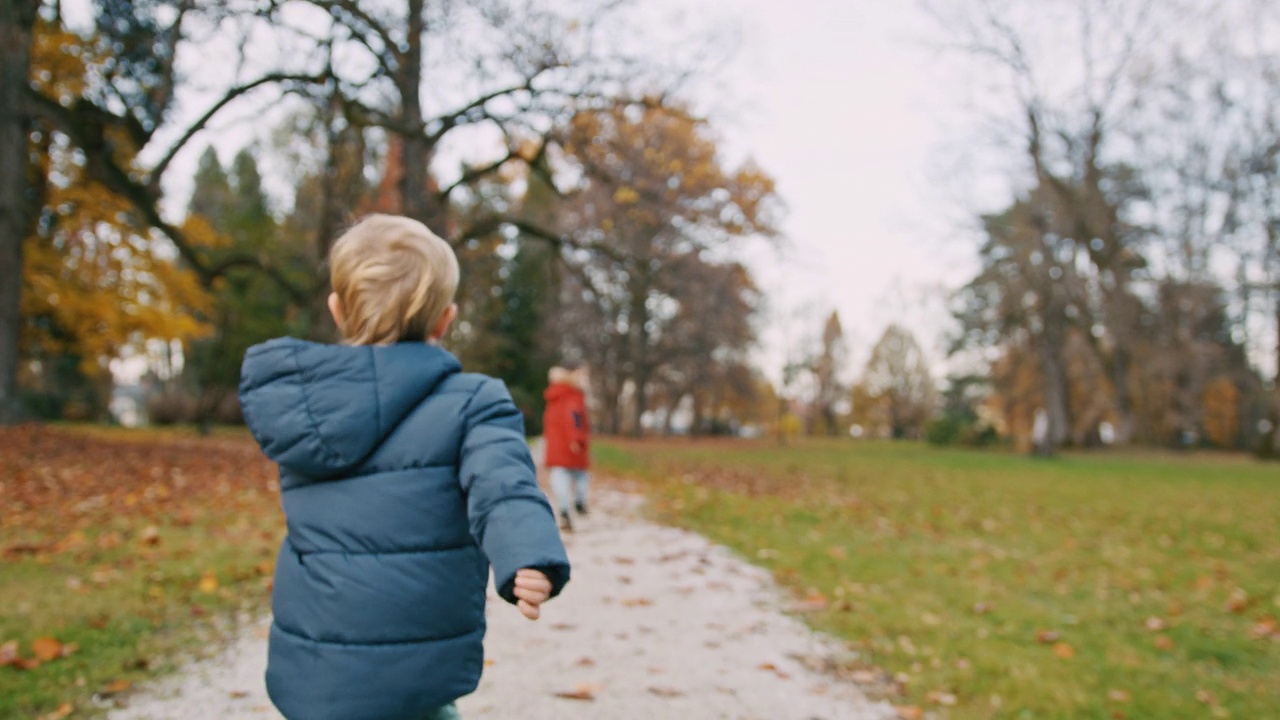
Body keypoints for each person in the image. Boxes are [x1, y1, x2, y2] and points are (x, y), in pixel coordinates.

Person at [238, 214, 570, 720]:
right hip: (416, 670)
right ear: (446, 319)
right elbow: (503, 487)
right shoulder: (473, 401)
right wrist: (528, 553)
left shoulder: (305, 407)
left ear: (337, 310)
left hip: (316, 665)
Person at [542, 362, 591, 530]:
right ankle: (579, 502)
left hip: (556, 444)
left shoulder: (553, 395)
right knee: (581, 476)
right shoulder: (572, 396)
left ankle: (563, 509)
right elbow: (574, 419)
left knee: (559, 476)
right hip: (572, 445)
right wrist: (576, 439)